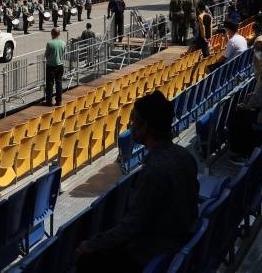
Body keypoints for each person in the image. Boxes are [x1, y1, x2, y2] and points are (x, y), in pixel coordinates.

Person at [75, 91, 198, 272]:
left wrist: (92, 244)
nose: (131, 126)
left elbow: (131, 227)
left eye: (134, 121)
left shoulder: (153, 172)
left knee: (87, 260)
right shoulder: (186, 156)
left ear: (145, 127)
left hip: (154, 251)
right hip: (178, 242)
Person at [44, 29, 66, 107]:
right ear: (59, 34)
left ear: (52, 34)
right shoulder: (63, 43)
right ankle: (59, 101)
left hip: (51, 65)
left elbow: (46, 55)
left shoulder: (50, 43)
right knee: (59, 83)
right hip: (60, 65)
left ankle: (49, 101)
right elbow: (64, 53)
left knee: (50, 84)